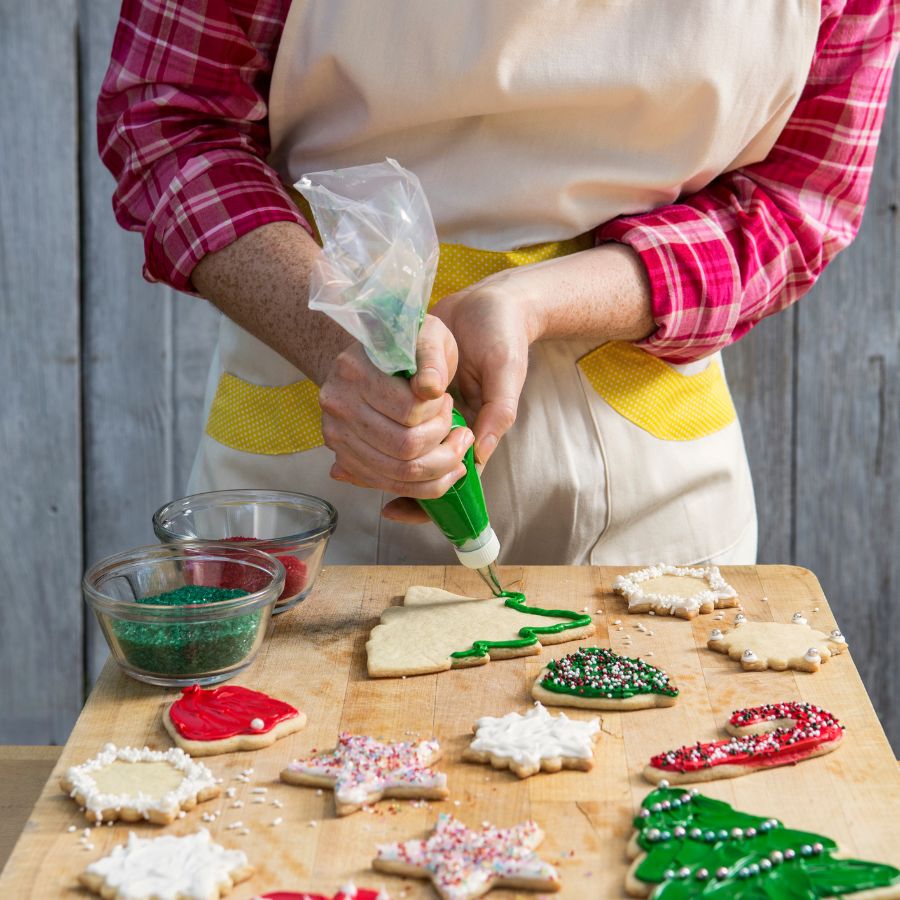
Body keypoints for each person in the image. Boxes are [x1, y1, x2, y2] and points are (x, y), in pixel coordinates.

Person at [98, 0, 898, 567]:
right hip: (318, 471)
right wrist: (346, 338)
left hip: (656, 491)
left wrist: (534, 299)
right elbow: (169, 120)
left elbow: (800, 200)